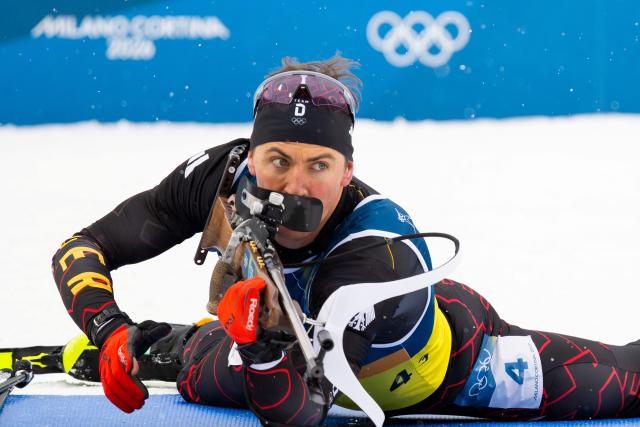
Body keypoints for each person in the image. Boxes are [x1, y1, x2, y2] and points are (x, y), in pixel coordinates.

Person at [51, 55, 640, 425]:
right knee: (211, 366)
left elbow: (302, 409)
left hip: (446, 370)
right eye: (277, 160)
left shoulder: (376, 253)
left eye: (320, 165)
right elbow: (82, 248)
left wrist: (258, 346)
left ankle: (181, 346)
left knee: (625, 382)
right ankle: (156, 344)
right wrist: (107, 330)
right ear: (249, 157)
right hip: (285, 342)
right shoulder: (217, 178)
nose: (295, 184)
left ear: (348, 172)